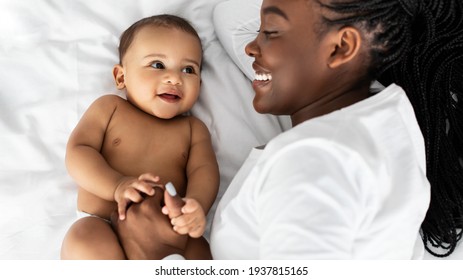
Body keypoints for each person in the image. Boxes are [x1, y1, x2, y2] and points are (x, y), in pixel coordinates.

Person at [112, 0, 463, 259]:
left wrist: (160, 256)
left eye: (271, 33)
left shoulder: (312, 168)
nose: (251, 46)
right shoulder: (385, 103)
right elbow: (232, 17)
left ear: (341, 47)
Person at [60, 14, 220, 260]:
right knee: (83, 239)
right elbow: (78, 151)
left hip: (169, 234)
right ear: (121, 77)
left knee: (200, 251)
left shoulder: (193, 129)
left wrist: (195, 206)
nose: (175, 78)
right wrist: (117, 185)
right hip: (104, 224)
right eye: (158, 65)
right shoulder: (110, 108)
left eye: (188, 69)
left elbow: (204, 171)